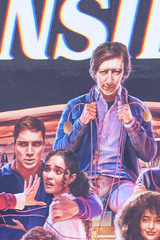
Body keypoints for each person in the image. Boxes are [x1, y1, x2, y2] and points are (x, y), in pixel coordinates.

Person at [0, 116, 101, 240]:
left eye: (36, 144)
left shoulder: (53, 177)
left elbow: (96, 205)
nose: (30, 152)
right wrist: (21, 237)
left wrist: (76, 206)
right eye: (23, 144)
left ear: (44, 146)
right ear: (14, 145)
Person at [54, 42, 156, 214]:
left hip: (121, 183)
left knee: (137, 209)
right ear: (94, 73)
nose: (109, 80)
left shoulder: (137, 108)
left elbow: (149, 154)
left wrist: (131, 124)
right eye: (104, 72)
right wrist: (81, 123)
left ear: (124, 73)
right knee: (66, 210)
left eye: (116, 72)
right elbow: (58, 152)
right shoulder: (76, 106)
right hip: (84, 181)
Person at [42, 148, 93, 240]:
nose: (49, 176)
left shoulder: (65, 208)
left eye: (58, 171)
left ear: (71, 177)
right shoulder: (58, 202)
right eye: (47, 169)